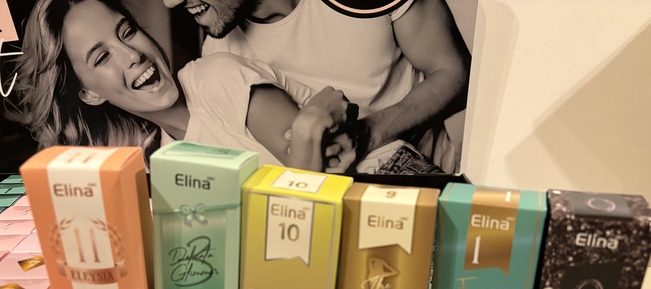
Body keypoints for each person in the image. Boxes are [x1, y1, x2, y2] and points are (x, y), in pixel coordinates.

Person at [8, 0, 355, 172]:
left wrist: (307, 132)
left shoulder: (217, 77)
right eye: (102, 57)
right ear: (89, 93)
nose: (132, 54)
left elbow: (314, 198)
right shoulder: (159, 160)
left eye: (127, 32)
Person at [163, 0, 471, 173]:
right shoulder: (220, 56)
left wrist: (369, 132)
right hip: (347, 214)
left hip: (439, 184)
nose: (169, 2)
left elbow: (456, 74)